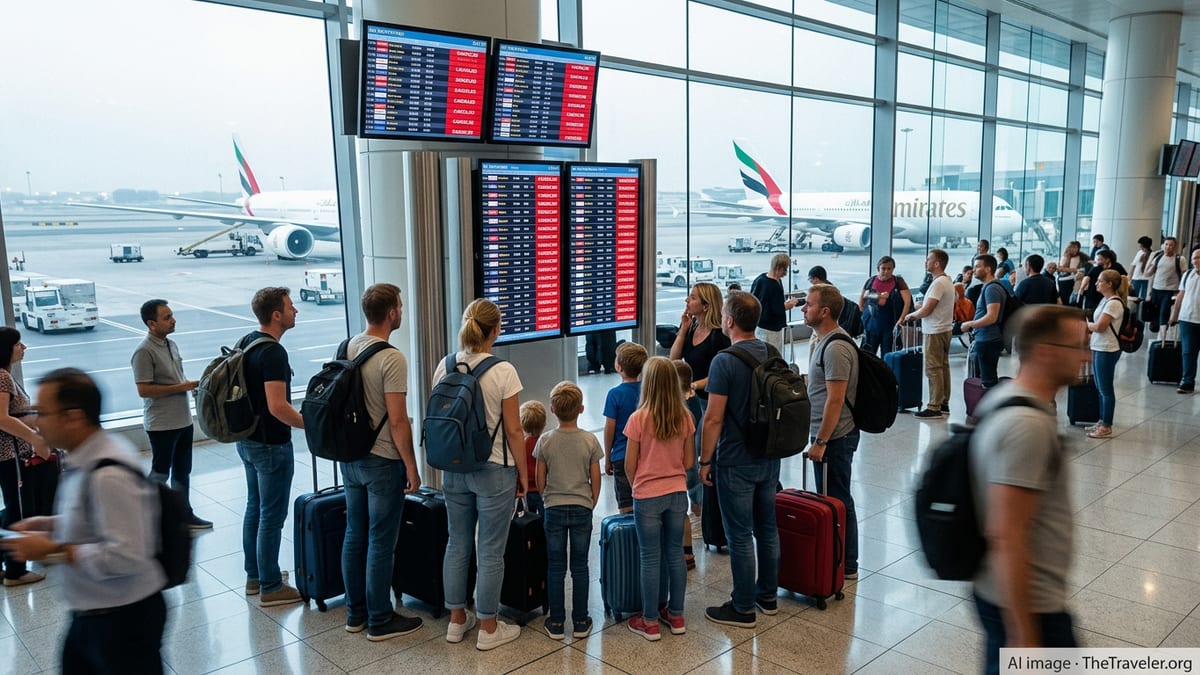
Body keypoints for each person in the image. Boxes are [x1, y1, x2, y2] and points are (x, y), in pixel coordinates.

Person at [2, 369, 167, 673]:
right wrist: (52, 524)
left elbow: (127, 555)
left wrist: (52, 549)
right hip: (92, 613)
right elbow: (96, 517)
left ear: (73, 417)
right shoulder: (85, 456)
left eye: (42, 412)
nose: (36, 421)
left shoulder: (109, 472)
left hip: (123, 621)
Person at [971, 306, 1089, 674]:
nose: (1087, 355)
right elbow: (1008, 534)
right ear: (1047, 351)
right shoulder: (1028, 424)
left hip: (1004, 595)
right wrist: (1023, 636)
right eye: (1078, 346)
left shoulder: (1005, 398)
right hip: (1030, 607)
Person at [436, 298, 527, 651]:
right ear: (495, 330)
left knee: (456, 542)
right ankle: (489, 627)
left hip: (453, 469)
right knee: (490, 549)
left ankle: (457, 621)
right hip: (494, 471)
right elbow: (515, 431)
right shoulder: (503, 372)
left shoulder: (444, 366)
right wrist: (522, 473)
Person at [340, 284, 424, 640]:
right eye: (400, 306)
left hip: (351, 457)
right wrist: (411, 465)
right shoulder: (391, 358)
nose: (402, 311)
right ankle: (380, 618)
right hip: (381, 460)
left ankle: (355, 613)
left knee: (354, 534)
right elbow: (398, 419)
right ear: (391, 313)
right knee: (380, 540)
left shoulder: (349, 346)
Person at [698, 290, 780, 628]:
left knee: (740, 535)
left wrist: (704, 461)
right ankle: (768, 596)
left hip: (735, 459)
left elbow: (714, 417)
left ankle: (743, 606)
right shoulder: (772, 353)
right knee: (767, 528)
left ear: (729, 320)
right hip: (769, 455)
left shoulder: (724, 361)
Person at [237, 287, 304, 606]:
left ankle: (255, 575)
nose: (296, 312)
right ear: (276, 314)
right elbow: (278, 406)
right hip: (271, 444)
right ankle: (270, 584)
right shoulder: (274, 353)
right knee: (272, 516)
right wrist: (311, 424)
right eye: (291, 307)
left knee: (255, 507)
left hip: (247, 439)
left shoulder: (248, 340)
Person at [624, 356, 694, 640]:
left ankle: (650, 621)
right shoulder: (685, 416)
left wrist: (636, 486)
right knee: (675, 553)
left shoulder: (638, 419)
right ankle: (676, 616)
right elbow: (689, 460)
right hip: (677, 493)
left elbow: (630, 464)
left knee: (649, 557)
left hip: (647, 495)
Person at [131, 299, 211, 530]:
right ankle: (146, 516)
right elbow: (143, 390)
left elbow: (176, 379)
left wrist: (192, 386)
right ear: (151, 324)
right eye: (167, 318)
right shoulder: (143, 351)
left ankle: (183, 514)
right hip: (162, 424)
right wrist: (183, 387)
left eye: (172, 315)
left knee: (183, 471)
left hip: (183, 420)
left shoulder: (171, 344)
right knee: (160, 472)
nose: (173, 320)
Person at [534, 381, 602, 641]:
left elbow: (540, 477)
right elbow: (595, 477)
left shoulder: (546, 440)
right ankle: (582, 620)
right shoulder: (589, 440)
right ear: (582, 409)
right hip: (582, 506)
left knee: (556, 566)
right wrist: (592, 501)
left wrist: (545, 496)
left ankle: (557, 621)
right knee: (581, 565)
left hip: (553, 507)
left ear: (552, 409)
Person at [803, 284, 861, 579]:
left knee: (837, 500)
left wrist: (821, 441)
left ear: (824, 311)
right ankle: (839, 559)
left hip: (836, 437)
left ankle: (846, 563)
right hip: (830, 435)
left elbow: (835, 399)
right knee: (832, 497)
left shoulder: (836, 347)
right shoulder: (823, 340)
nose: (803, 308)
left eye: (809, 304)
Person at [0, 327, 54, 587]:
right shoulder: (2, 376)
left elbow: (13, 413)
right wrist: (35, 439)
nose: (24, 347)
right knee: (17, 510)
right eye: (18, 343)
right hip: (9, 455)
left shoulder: (6, 375)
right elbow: (2, 418)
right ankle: (15, 570)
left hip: (10, 454)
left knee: (12, 507)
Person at [899, 249, 955, 419]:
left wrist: (911, 315)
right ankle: (943, 402)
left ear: (937, 263)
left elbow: (928, 309)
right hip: (945, 328)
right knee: (943, 367)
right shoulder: (947, 281)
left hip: (934, 330)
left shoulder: (938, 283)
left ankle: (934, 406)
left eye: (929, 259)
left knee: (933, 368)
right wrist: (923, 306)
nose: (926, 262)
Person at [669, 282, 730, 418]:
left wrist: (694, 385)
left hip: (710, 399)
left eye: (693, 297)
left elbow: (720, 375)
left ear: (706, 306)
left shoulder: (720, 336)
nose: (687, 300)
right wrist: (683, 330)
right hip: (692, 396)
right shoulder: (691, 327)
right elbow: (673, 359)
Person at [603, 341, 648, 515]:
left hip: (621, 455)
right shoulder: (647, 391)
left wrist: (608, 457)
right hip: (645, 454)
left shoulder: (614, 394)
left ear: (619, 367)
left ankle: (629, 541)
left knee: (626, 506)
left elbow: (610, 429)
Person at [1085, 270, 1129, 439]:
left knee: (1105, 388)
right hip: (1099, 346)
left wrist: (1090, 326)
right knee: (1099, 385)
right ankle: (1102, 420)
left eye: (1100, 281)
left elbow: (1100, 326)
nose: (1096, 283)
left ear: (1109, 284)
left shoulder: (1114, 303)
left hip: (1108, 348)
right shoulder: (1105, 300)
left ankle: (1106, 424)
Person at [962, 255, 1006, 389]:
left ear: (988, 269)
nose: (974, 270)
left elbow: (992, 316)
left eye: (977, 266)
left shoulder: (992, 288)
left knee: (988, 380)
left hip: (988, 338)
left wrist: (970, 324)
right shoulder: (989, 287)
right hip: (987, 337)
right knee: (986, 377)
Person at [674, 359, 702, 566]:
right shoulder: (693, 404)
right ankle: (688, 552)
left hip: (675, 469)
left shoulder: (679, 409)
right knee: (690, 501)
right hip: (688, 464)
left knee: (678, 510)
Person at [858, 255, 911, 358]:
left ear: (893, 269)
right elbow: (862, 298)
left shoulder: (898, 282)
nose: (886, 271)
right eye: (883, 268)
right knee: (868, 354)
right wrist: (863, 316)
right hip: (872, 324)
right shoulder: (871, 281)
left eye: (889, 269)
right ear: (878, 269)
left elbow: (907, 302)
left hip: (890, 325)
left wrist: (901, 319)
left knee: (887, 354)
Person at [750, 253, 799, 352]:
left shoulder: (761, 279)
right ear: (778, 267)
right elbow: (775, 309)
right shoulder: (773, 285)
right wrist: (788, 305)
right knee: (773, 354)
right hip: (770, 329)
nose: (785, 272)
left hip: (763, 326)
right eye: (784, 269)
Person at [1168, 247, 1200, 394]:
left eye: (1198, 257)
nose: (1195, 260)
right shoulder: (1187, 275)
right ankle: (1187, 382)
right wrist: (1174, 315)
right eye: (1194, 257)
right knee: (1188, 352)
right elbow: (1181, 295)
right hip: (1187, 318)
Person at [1147, 236, 1185, 330]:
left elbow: (1184, 275)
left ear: (1175, 247)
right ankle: (1159, 333)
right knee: (1154, 314)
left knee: (1164, 314)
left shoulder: (1180, 259)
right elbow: (1148, 273)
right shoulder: (1158, 257)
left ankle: (1163, 338)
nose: (1168, 247)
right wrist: (1151, 257)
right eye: (1166, 244)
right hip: (1156, 289)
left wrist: (1180, 291)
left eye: (1170, 245)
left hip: (1170, 290)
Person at [520, 400, 547, 515]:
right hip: (542, 489)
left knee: (529, 519)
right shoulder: (545, 443)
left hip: (526, 490)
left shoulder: (521, 445)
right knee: (543, 519)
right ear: (544, 423)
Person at [1057, 241, 1087, 305]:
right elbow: (1061, 269)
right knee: (1065, 299)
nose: (1073, 249)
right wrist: (1075, 270)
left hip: (1075, 280)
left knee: (1073, 299)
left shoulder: (1082, 256)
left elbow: (1086, 267)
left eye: (1075, 247)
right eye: (1072, 247)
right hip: (1064, 280)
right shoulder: (1065, 256)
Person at [1130, 235, 1155, 300]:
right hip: (1136, 278)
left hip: (1146, 279)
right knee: (1133, 297)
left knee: (1144, 298)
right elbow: (1133, 265)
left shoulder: (1153, 254)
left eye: (1140, 245)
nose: (1139, 247)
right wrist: (1129, 277)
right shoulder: (1139, 253)